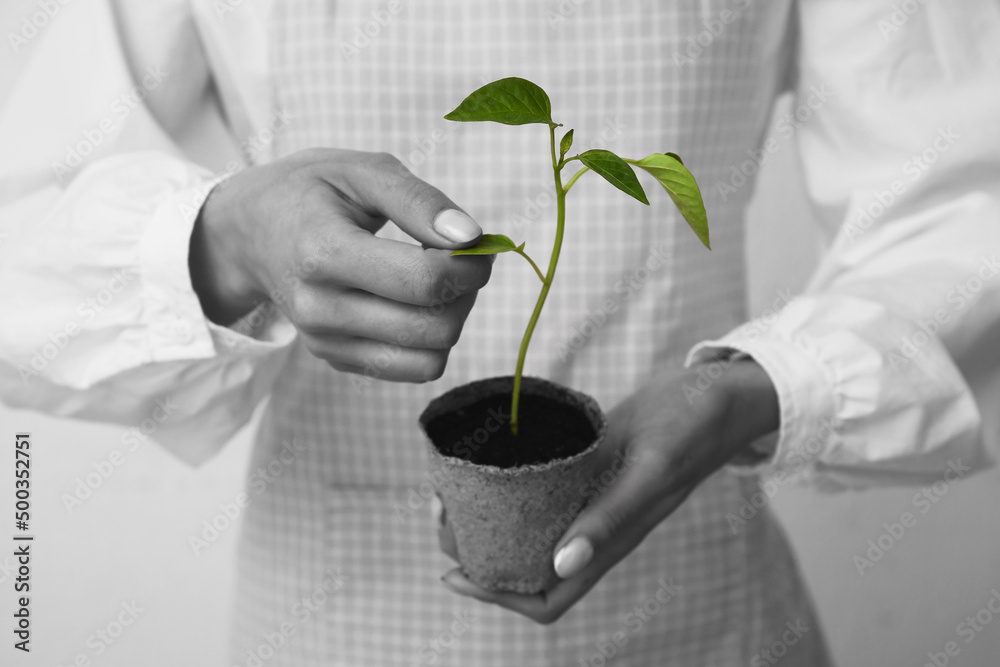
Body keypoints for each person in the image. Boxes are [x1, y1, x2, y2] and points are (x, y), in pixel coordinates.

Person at [2, 1, 999, 664]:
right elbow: (24, 215)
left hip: (701, 610)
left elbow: (964, 196)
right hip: (331, 614)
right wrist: (219, 238)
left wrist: (762, 384)